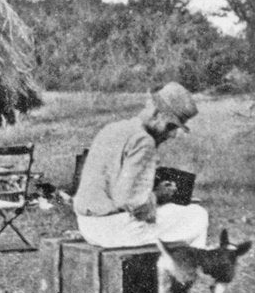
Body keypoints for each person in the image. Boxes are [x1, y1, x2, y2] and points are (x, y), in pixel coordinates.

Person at [73, 82, 208, 248]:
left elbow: (115, 186)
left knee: (174, 215)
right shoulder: (144, 141)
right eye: (171, 126)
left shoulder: (114, 128)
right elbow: (130, 201)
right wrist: (158, 196)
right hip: (113, 230)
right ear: (156, 114)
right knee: (198, 215)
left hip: (87, 225)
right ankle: (191, 270)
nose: (172, 134)